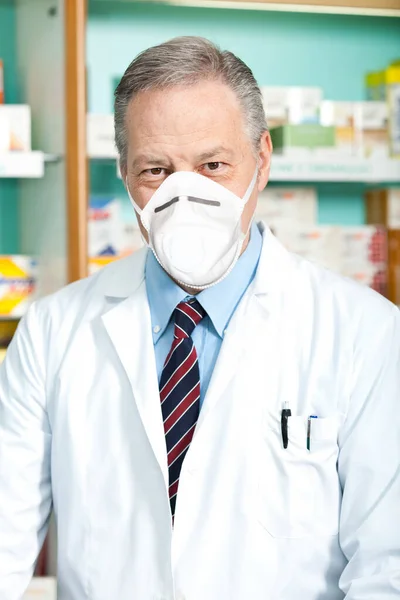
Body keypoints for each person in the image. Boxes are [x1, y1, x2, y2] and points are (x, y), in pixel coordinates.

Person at [0, 36, 399, 600]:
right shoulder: (51, 333)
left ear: (261, 161)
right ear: (124, 173)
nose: (184, 197)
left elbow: (388, 567)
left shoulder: (365, 333)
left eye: (212, 165)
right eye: (156, 170)